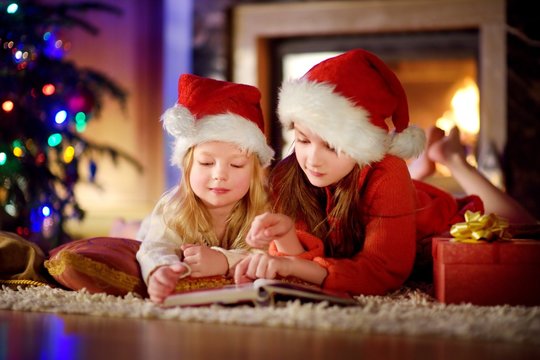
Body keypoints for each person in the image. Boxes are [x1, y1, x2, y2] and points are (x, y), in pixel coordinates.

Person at [234, 49, 537, 295]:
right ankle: (419, 170)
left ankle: (453, 158)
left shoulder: (387, 172)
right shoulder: (290, 174)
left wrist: (290, 266)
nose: (312, 159)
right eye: (302, 140)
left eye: (333, 147)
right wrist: (286, 237)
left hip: (427, 220)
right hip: (384, 201)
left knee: (524, 225)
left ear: (362, 144)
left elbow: (382, 270)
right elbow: (311, 259)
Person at [137, 74, 274, 303]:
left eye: (237, 164)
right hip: (148, 225)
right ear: (188, 167)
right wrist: (161, 270)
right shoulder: (172, 207)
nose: (220, 174)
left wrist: (223, 261)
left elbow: (269, 256)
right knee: (139, 233)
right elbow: (155, 246)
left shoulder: (265, 208)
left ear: (254, 172)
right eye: (207, 163)